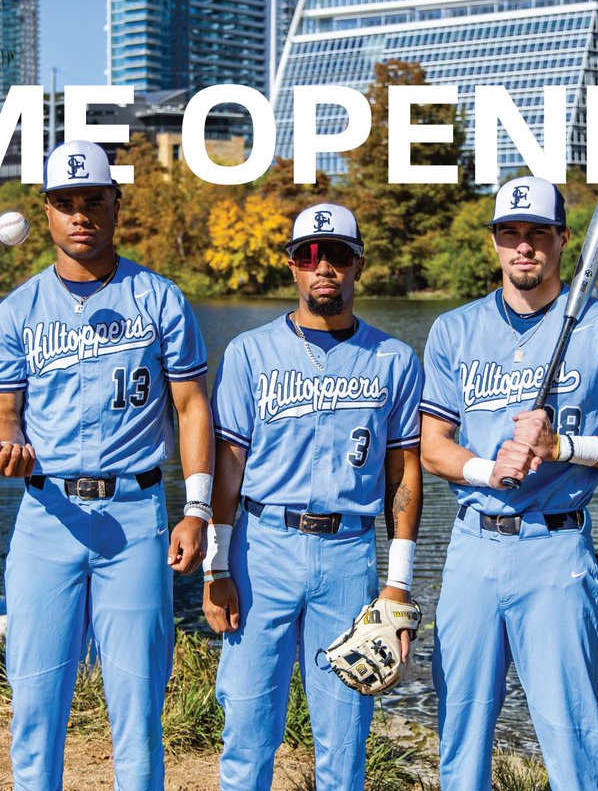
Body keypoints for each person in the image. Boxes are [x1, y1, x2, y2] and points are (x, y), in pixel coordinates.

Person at [420, 176, 598, 790]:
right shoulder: (454, 330)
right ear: (496, 243)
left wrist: (564, 445)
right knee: (460, 730)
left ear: (563, 240)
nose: (524, 247)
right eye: (511, 233)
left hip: (556, 551)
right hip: (472, 550)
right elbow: (433, 449)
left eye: (538, 233)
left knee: (571, 737)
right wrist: (488, 468)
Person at [0, 140, 214, 790]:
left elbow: (194, 409)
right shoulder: (16, 312)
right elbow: (1, 413)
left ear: (117, 205)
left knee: (137, 712)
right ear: (47, 212)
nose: (80, 214)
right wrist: (3, 446)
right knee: (35, 706)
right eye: (65, 203)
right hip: (46, 515)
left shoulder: (161, 300)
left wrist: (196, 511)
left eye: (93, 200)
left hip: (136, 515)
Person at [202, 203, 424, 790]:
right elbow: (229, 466)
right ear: (293, 267)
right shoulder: (250, 352)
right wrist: (215, 565)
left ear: (358, 265)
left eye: (338, 255)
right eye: (309, 255)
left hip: (349, 555)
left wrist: (397, 584)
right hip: (261, 549)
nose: (323, 266)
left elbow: (403, 474)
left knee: (345, 736)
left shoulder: (395, 360)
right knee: (247, 728)